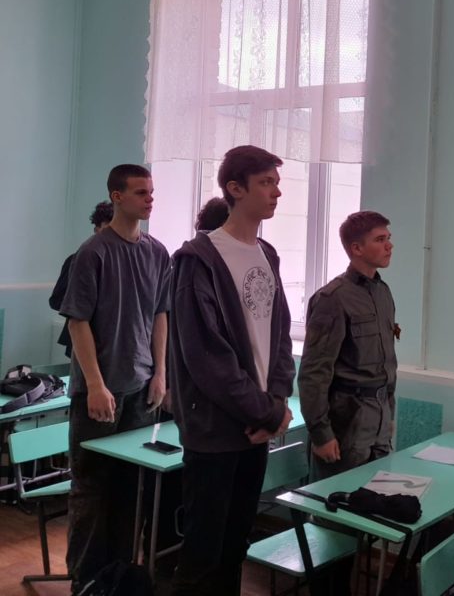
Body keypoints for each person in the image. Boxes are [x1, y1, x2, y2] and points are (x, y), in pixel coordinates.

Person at [169, 145, 294, 596]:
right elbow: (207, 358)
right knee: (203, 555)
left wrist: (276, 403)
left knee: (235, 546)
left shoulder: (267, 254)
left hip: (256, 428)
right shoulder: (198, 260)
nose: (276, 192)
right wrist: (267, 412)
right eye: (266, 183)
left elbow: (279, 338)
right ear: (235, 189)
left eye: (277, 183)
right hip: (216, 430)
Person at [59, 165, 170, 594]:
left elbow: (160, 315)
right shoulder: (93, 252)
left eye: (152, 192)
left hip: (141, 391)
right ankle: (86, 582)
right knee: (92, 491)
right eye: (141, 192)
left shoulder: (157, 252)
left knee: (130, 489)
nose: (149, 199)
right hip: (99, 394)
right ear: (117, 196)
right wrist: (96, 384)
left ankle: (120, 580)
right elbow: (78, 322)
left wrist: (160, 373)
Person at [299, 210, 398, 479]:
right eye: (380, 239)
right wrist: (321, 434)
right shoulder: (333, 298)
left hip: (378, 419)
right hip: (346, 422)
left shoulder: (382, 293)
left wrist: (389, 414)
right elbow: (313, 373)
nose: (389, 246)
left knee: (374, 495)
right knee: (338, 497)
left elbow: (388, 363)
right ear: (356, 248)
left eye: (388, 238)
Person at [50, 201, 114, 358]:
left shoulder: (122, 263)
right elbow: (56, 300)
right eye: (107, 229)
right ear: (97, 229)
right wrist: (83, 308)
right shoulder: (76, 259)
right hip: (81, 339)